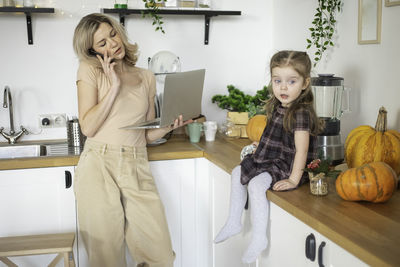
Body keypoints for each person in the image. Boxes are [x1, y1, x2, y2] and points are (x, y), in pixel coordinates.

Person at [72, 13, 188, 267]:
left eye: (112, 34)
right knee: (106, 259)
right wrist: (113, 86)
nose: (112, 44)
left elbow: (145, 133)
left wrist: (169, 126)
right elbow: (88, 126)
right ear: (92, 51)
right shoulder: (90, 71)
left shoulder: (145, 77)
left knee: (160, 256)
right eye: (102, 43)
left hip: (137, 163)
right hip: (98, 165)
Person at [214, 50, 322, 263]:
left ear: (305, 83)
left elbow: (300, 150)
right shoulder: (278, 104)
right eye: (277, 80)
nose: (283, 87)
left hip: (288, 165)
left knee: (255, 186)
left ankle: (258, 237)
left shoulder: (300, 112)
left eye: (291, 81)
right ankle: (234, 221)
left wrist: (293, 179)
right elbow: (274, 134)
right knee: (237, 172)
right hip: (270, 158)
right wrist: (261, 146)